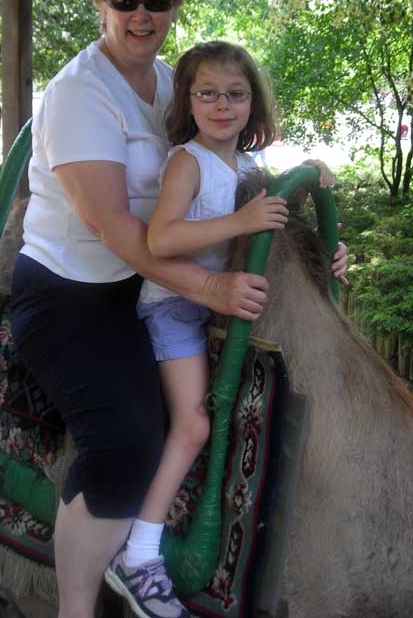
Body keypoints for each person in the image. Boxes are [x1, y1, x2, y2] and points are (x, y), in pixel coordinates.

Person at [10, 0, 348, 618]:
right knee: (127, 439)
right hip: (72, 291)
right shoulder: (80, 94)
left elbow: (220, 166)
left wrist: (313, 249)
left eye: (156, 2)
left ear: (173, 8)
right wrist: (209, 288)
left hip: (142, 285)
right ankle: (79, 602)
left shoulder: (171, 82)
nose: (142, 16)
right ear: (101, 4)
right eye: (125, 0)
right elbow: (116, 226)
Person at [105, 42, 336, 614]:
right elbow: (160, 239)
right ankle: (138, 554)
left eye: (235, 94)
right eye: (207, 93)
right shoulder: (187, 160)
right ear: (188, 101)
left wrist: (328, 252)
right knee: (194, 427)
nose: (222, 105)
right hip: (175, 306)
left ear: (253, 103)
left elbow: (273, 236)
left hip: (218, 307)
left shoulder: (249, 169)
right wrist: (241, 219)